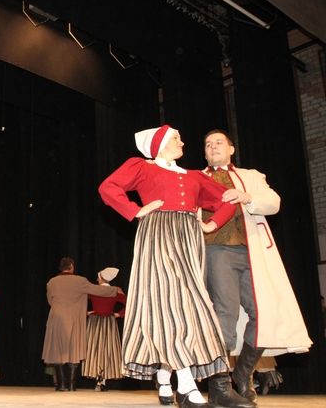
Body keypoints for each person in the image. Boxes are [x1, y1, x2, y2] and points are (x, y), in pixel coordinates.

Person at [99, 124, 237, 408]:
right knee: (170, 304)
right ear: (160, 144)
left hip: (188, 240)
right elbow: (108, 187)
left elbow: (228, 200)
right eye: (176, 138)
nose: (183, 143)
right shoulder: (142, 166)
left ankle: (164, 375)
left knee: (190, 305)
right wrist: (136, 210)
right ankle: (186, 387)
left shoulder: (194, 176)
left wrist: (210, 224)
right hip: (158, 233)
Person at [202, 129, 312, 404]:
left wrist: (247, 196)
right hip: (217, 250)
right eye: (208, 144)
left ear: (231, 149)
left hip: (253, 251)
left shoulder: (250, 176)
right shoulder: (198, 178)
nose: (213, 147)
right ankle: (219, 386)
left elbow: (274, 203)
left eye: (218, 142)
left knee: (265, 314)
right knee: (225, 313)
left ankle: (242, 374)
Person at [41, 257, 121, 392]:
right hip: (73, 319)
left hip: (56, 319)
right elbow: (97, 290)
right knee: (74, 350)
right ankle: (72, 385)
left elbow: (50, 301)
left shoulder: (51, 282)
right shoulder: (80, 281)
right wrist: (114, 290)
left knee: (57, 351)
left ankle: (62, 385)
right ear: (71, 267)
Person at [82, 267, 126, 391]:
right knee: (107, 349)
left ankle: (99, 380)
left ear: (101, 278)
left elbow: (78, 299)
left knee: (95, 348)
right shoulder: (115, 291)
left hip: (95, 321)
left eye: (98, 277)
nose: (97, 279)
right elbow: (130, 303)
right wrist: (119, 314)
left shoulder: (94, 290)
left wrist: (85, 312)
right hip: (109, 322)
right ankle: (103, 380)